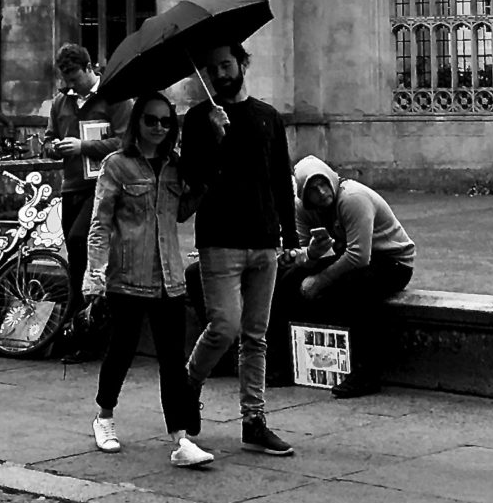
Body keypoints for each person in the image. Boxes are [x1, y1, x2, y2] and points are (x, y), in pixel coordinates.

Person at [177, 41, 298, 457]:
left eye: (226, 65)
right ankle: (189, 384)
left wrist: (290, 237)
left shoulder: (268, 117)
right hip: (219, 238)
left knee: (256, 337)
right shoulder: (197, 120)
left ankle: (254, 420)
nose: (219, 74)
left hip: (263, 239)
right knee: (224, 327)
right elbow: (191, 179)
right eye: (212, 69)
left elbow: (281, 180)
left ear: (242, 64)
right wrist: (213, 137)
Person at [83, 93, 212, 467]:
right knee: (121, 351)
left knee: (173, 360)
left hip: (169, 277)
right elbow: (101, 223)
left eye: (166, 122)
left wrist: (201, 186)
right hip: (128, 276)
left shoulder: (175, 166)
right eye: (151, 120)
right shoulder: (117, 166)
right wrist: (95, 272)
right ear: (138, 122)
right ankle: (104, 416)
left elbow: (181, 213)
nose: (158, 128)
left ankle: (180, 438)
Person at [288, 156, 416, 399]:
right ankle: (283, 363)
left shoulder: (352, 198)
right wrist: (311, 254)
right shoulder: (302, 209)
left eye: (324, 184)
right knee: (289, 279)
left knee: (357, 289)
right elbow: (301, 252)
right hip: (357, 257)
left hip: (393, 261)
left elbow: (359, 257)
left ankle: (366, 373)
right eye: (313, 190)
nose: (322, 192)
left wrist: (319, 281)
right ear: (304, 195)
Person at [42, 44, 126, 359]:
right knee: (77, 261)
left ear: (90, 68)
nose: (71, 86)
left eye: (76, 79)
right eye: (66, 81)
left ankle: (92, 331)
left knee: (81, 242)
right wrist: (54, 147)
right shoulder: (60, 102)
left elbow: (124, 141)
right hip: (72, 186)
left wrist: (84, 146)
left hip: (103, 187)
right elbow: (48, 138)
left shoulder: (114, 97)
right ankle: (81, 331)